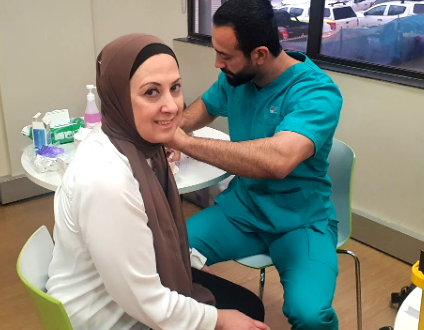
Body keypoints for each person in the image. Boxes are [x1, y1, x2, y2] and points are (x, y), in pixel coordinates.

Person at [45, 33, 269, 330]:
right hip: (107, 316)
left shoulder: (139, 147)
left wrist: (183, 273)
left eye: (175, 88)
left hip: (127, 295)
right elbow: (144, 300)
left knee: (247, 305)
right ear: (118, 98)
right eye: (152, 92)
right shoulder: (106, 179)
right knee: (242, 311)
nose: (172, 106)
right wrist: (220, 320)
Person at [165, 1, 343, 329]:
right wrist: (175, 130)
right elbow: (204, 106)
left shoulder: (317, 93)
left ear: (259, 54)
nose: (218, 64)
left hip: (300, 221)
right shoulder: (237, 79)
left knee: (310, 315)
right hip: (243, 210)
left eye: (226, 56)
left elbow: (278, 160)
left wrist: (185, 143)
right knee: (165, 258)